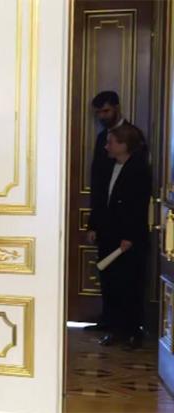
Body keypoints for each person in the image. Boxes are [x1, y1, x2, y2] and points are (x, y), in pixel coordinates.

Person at [86, 91, 146, 333]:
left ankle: (128, 328)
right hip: (107, 224)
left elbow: (137, 198)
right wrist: (93, 223)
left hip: (126, 229)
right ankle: (109, 321)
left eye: (106, 111)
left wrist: (130, 233)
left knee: (127, 281)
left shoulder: (135, 139)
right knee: (108, 278)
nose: (102, 116)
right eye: (98, 113)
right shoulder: (103, 138)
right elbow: (98, 185)